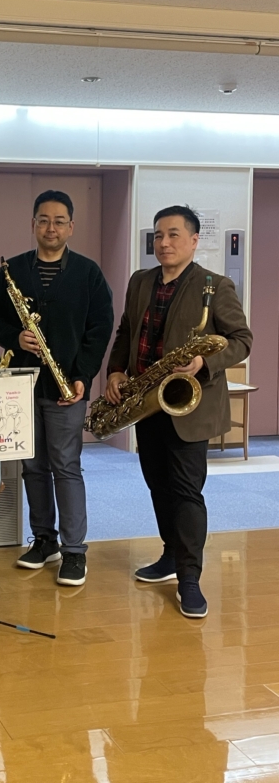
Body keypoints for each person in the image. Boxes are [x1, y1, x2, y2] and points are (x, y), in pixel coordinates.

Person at [106, 205, 252, 618]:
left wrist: (204, 363)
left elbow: (241, 339)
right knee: (158, 484)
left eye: (173, 235)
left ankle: (190, 578)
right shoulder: (140, 281)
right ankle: (170, 555)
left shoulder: (216, 286)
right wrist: (115, 370)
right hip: (147, 403)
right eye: (158, 235)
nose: (164, 243)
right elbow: (126, 331)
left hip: (191, 406)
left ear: (193, 240)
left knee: (187, 492)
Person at [0, 190, 113, 585]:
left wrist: (83, 375)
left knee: (66, 466)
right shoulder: (13, 270)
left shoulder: (88, 273)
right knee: (33, 467)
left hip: (67, 386)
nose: (50, 228)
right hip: (23, 385)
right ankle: (44, 540)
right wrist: (14, 337)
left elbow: (100, 329)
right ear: (33, 224)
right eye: (43, 220)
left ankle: (74, 550)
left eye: (58, 221)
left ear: (71, 226)